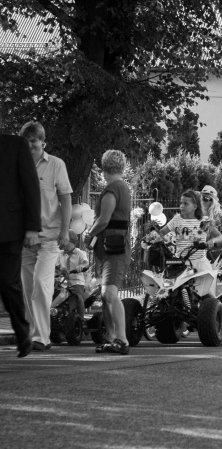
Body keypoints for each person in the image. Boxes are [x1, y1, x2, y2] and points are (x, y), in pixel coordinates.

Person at [20, 121, 72, 351]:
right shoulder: (16, 165)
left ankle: (42, 336)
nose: (29, 146)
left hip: (49, 237)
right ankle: (33, 334)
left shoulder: (56, 165)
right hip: (23, 238)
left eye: (33, 142)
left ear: (43, 143)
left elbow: (66, 199)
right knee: (27, 288)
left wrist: (65, 231)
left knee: (41, 284)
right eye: (26, 142)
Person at [0, 112, 41, 357]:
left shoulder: (15, 145)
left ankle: (23, 332)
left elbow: (31, 186)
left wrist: (32, 227)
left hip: (10, 229)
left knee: (6, 281)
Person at [86, 150, 130, 354]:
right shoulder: (123, 187)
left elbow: (104, 220)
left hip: (113, 249)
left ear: (104, 167)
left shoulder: (113, 188)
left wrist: (88, 234)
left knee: (109, 293)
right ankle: (111, 338)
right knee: (105, 296)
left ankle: (121, 339)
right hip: (111, 247)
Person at [57, 231, 90, 320]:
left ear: (73, 242)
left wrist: (81, 266)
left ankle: (81, 318)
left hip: (76, 282)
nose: (63, 245)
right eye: (61, 242)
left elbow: (86, 263)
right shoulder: (60, 253)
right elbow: (54, 266)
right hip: (62, 282)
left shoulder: (80, 253)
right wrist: (60, 270)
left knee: (78, 296)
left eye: (65, 242)